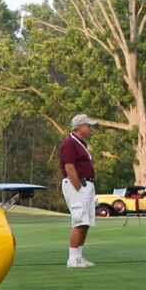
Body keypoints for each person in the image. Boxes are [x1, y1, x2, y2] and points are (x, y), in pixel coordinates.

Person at [60, 114, 97, 268]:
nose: (90, 128)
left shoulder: (81, 143)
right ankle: (72, 259)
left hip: (85, 184)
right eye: (88, 126)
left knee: (85, 222)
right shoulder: (70, 143)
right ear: (80, 127)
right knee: (79, 220)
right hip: (76, 185)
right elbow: (69, 168)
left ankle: (79, 256)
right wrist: (79, 189)